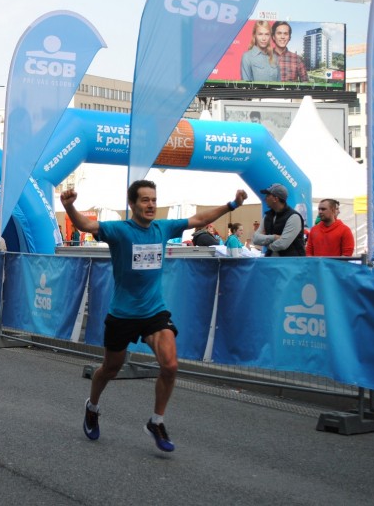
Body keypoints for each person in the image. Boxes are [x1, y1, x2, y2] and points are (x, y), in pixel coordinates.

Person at [62, 180, 247, 452]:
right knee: (110, 369)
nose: (151, 205)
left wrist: (232, 205)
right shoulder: (119, 230)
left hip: (154, 311)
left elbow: (199, 218)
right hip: (122, 314)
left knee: (170, 365)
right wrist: (69, 206)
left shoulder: (163, 228)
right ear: (133, 204)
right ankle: (92, 406)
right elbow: (85, 226)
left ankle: (156, 421)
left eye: (153, 199)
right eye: (145, 200)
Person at [253, 183, 306, 256]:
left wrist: (267, 244)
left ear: (275, 199)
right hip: (272, 263)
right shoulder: (267, 216)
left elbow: (282, 244)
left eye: (268, 195)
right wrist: (273, 237)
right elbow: (255, 239)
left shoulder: (294, 217)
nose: (265, 198)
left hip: (291, 264)